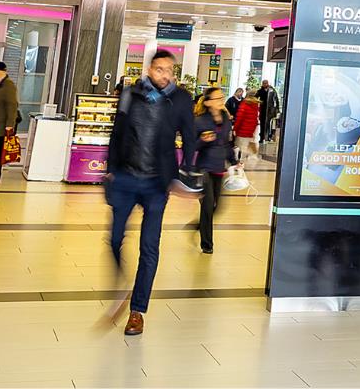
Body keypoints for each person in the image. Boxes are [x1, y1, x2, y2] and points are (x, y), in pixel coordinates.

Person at [103, 50, 197, 336]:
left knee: (149, 247)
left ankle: (137, 310)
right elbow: (117, 132)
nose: (164, 75)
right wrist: (110, 168)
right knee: (115, 239)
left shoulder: (180, 98)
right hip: (126, 179)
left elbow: (190, 137)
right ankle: (122, 284)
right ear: (150, 69)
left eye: (169, 70)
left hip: (157, 184)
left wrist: (185, 172)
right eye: (159, 69)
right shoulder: (131, 94)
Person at [187, 86, 235, 254]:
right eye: (217, 98)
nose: (221, 100)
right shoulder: (200, 121)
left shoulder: (226, 119)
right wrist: (203, 139)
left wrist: (234, 162)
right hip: (205, 168)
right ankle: (207, 244)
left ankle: (201, 225)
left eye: (222, 97)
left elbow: (228, 143)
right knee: (207, 206)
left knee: (217, 206)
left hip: (219, 167)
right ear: (208, 102)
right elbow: (191, 146)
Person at [233, 90, 262, 166]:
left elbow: (239, 118)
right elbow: (256, 119)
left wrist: (235, 128)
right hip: (250, 130)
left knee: (239, 146)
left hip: (242, 130)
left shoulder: (244, 104)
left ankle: (239, 162)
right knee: (244, 147)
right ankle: (241, 162)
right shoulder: (256, 105)